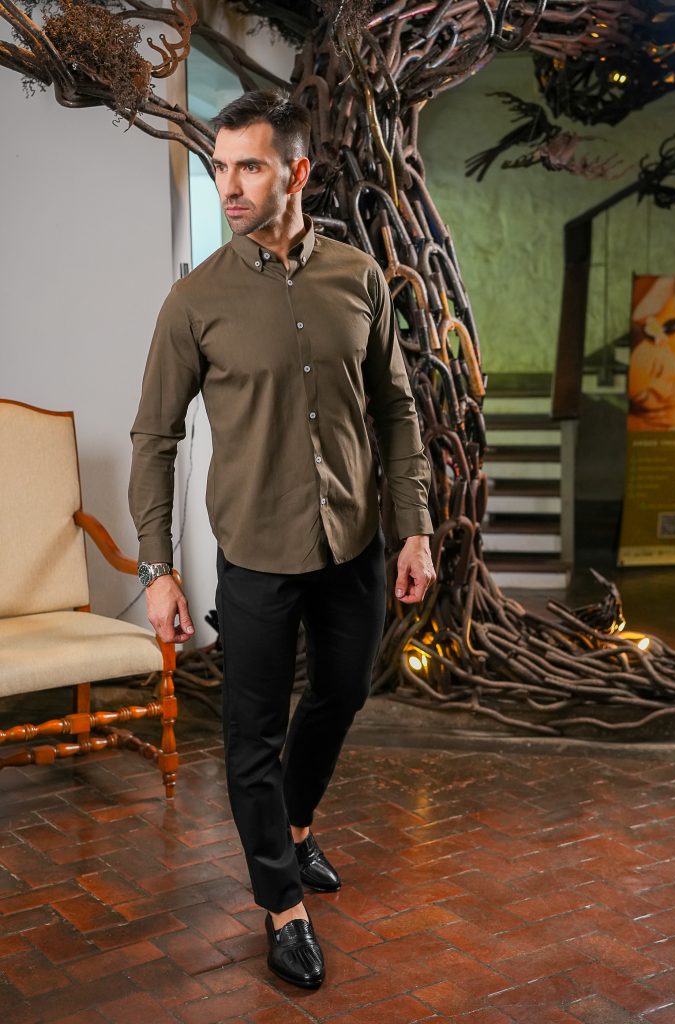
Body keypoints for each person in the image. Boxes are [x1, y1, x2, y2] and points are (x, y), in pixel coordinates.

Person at [128, 89, 436, 989]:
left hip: (353, 543)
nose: (228, 185)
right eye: (219, 167)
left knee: (342, 694)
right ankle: (281, 905)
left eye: (249, 167)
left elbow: (396, 410)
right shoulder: (194, 301)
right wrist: (157, 566)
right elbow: (154, 438)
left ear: (295, 172)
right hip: (256, 555)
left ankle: (296, 828)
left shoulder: (359, 278)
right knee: (250, 735)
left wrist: (414, 527)